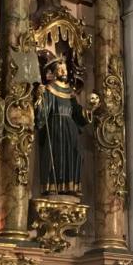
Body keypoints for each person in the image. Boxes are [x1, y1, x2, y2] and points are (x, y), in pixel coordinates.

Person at [34, 56, 99, 196]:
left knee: (75, 153)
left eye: (64, 69)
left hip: (70, 130)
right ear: (54, 72)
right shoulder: (49, 89)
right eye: (60, 69)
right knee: (56, 157)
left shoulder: (70, 92)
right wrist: (40, 99)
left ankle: (71, 187)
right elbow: (44, 112)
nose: (63, 72)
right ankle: (53, 186)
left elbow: (77, 113)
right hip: (56, 128)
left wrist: (89, 109)